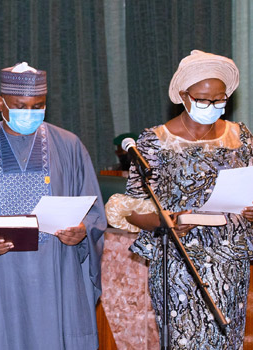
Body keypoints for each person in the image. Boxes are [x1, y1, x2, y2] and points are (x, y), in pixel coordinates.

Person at [0, 62, 106, 349]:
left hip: (57, 272)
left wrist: (82, 230)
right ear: (1, 103)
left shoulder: (69, 145)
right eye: (20, 106)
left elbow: (93, 211)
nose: (29, 114)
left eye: (37, 106)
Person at [105, 50, 253, 349]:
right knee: (184, 341)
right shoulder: (155, 141)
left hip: (230, 261)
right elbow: (133, 208)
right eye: (202, 99)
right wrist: (164, 220)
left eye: (219, 99)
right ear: (183, 96)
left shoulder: (242, 137)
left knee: (228, 339)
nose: (211, 106)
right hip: (179, 261)